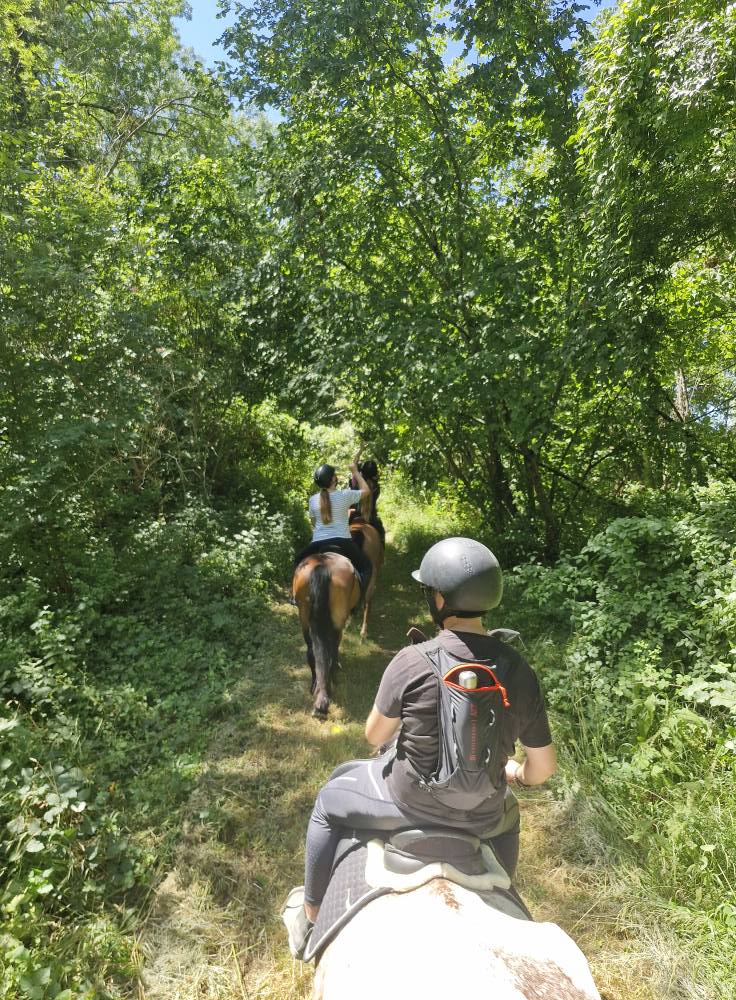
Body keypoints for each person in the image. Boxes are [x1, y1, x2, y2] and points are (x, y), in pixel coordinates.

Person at [283, 537, 556, 958]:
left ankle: (312, 914)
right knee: (511, 818)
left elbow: (375, 736)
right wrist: (516, 772)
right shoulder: (519, 670)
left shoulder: (413, 658)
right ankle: (502, 895)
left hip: (407, 802)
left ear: (439, 599)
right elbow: (542, 769)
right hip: (485, 811)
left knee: (327, 803)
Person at [293, 458, 374, 596]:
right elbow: (366, 490)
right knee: (366, 566)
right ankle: (360, 598)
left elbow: (314, 522)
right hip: (343, 542)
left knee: (297, 561)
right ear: (332, 479)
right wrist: (355, 471)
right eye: (334, 474)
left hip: (317, 543)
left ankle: (294, 595)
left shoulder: (312, 500)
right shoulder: (345, 495)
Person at [347, 459, 385, 545]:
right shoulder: (376, 487)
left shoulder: (355, 484)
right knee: (381, 532)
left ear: (362, 473)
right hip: (371, 517)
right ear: (374, 474)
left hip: (355, 515)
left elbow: (354, 466)